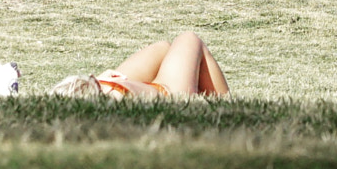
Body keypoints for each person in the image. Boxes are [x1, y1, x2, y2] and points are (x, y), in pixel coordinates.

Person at [52, 35, 229, 100]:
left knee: (163, 48)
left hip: (111, 85)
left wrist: (97, 81)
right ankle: (225, 103)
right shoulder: (115, 101)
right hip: (167, 92)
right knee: (189, 39)